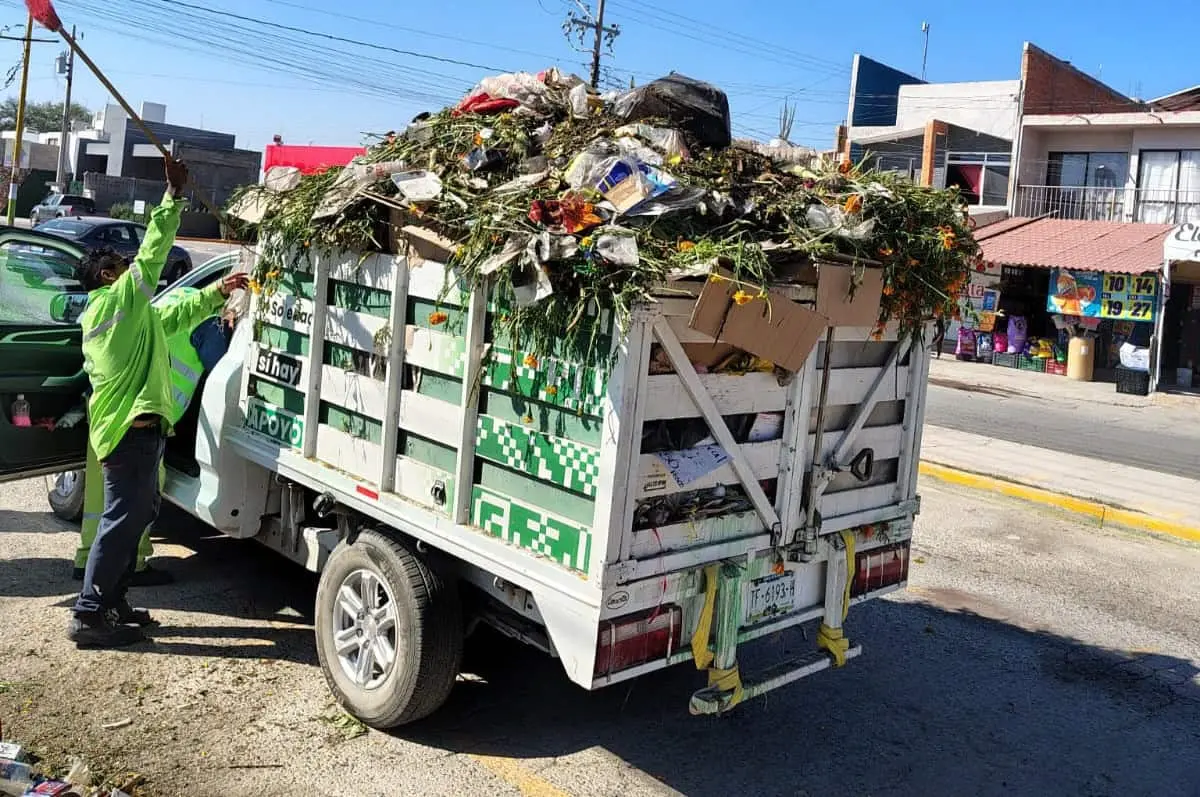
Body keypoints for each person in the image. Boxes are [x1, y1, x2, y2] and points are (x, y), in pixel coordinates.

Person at [69, 157, 249, 648]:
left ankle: (113, 602)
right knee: (122, 521)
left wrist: (218, 292)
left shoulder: (132, 318)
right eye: (120, 268)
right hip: (130, 432)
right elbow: (151, 259)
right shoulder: (112, 307)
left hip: (140, 431)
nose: (131, 271)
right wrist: (173, 197)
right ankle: (89, 614)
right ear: (107, 276)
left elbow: (174, 315)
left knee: (136, 516)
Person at [73, 286, 239, 579]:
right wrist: (231, 329)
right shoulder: (207, 320)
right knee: (137, 502)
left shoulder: (156, 303)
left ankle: (86, 560)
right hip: (142, 421)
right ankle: (132, 565)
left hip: (106, 411)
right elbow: (222, 369)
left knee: (100, 495)